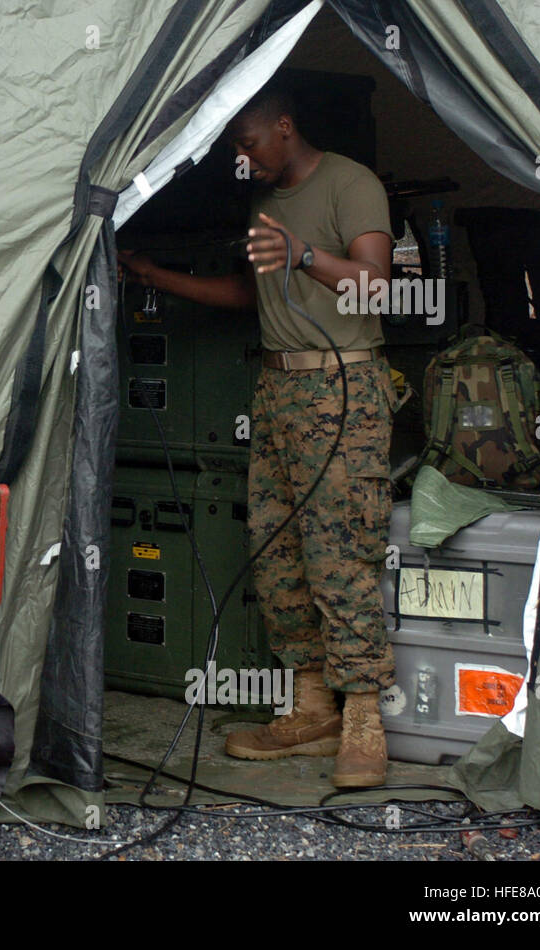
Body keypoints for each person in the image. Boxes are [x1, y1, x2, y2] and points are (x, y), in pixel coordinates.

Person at [119, 80, 397, 787]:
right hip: (276, 390)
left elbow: (375, 285)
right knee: (277, 551)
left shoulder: (351, 184)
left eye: (247, 144)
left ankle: (363, 716)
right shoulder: (264, 201)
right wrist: (156, 274)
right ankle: (310, 709)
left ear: (283, 125)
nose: (243, 159)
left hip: (342, 389)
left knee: (343, 548)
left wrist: (304, 255)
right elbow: (253, 295)